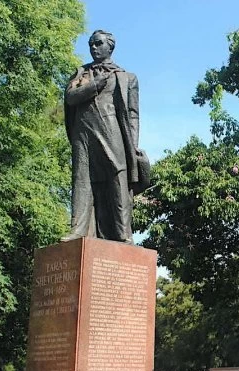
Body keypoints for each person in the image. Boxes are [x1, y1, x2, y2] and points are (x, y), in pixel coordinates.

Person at [62, 30, 149, 243]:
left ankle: (122, 233)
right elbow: (70, 98)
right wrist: (94, 85)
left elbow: (132, 114)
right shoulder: (80, 73)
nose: (93, 47)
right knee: (82, 180)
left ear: (110, 47)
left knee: (117, 176)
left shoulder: (126, 77)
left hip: (112, 129)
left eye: (98, 43)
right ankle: (78, 230)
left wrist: (133, 145)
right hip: (83, 132)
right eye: (91, 44)